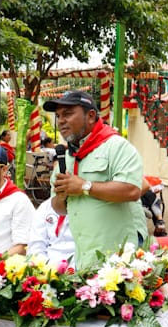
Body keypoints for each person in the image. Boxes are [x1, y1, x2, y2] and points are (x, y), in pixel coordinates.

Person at [47, 90, 147, 268]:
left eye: (68, 114)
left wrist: (85, 186)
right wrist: (62, 196)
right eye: (58, 116)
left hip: (121, 258)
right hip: (85, 257)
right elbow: (58, 208)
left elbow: (132, 190)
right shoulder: (66, 157)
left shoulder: (116, 147)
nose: (61, 120)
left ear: (91, 116)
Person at [27, 196, 75, 264]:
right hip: (49, 265)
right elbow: (35, 245)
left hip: (81, 265)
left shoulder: (88, 207)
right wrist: (46, 266)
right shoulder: (45, 207)